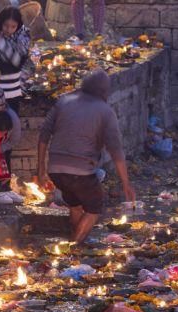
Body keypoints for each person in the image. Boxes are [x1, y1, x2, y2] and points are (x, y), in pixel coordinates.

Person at [37, 68, 135, 244]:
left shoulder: (64, 101)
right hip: (80, 171)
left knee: (75, 205)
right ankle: (74, 246)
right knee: (94, 207)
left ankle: (78, 241)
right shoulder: (105, 111)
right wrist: (126, 183)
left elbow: (43, 135)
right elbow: (116, 151)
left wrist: (42, 169)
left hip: (56, 169)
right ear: (105, 92)